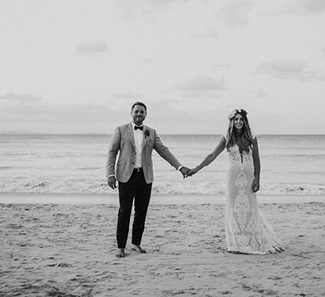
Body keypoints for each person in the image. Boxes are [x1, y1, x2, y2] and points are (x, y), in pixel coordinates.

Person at [188, 109, 284, 254]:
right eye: (236, 119)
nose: (238, 122)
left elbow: (256, 160)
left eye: (241, 119)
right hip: (233, 179)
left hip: (248, 178)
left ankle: (251, 239)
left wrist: (257, 179)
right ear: (232, 122)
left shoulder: (252, 138)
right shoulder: (226, 138)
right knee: (234, 209)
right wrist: (196, 169)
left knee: (250, 208)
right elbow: (212, 155)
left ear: (245, 122)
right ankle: (237, 242)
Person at [106, 101, 190, 258]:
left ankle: (136, 243)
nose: (139, 114)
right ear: (131, 113)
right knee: (124, 211)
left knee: (141, 211)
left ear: (146, 114)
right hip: (126, 175)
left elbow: (163, 151)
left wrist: (179, 167)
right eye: (136, 111)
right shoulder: (120, 130)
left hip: (145, 177)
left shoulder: (151, 132)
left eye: (142, 112)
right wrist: (110, 174)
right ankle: (121, 247)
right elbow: (112, 152)